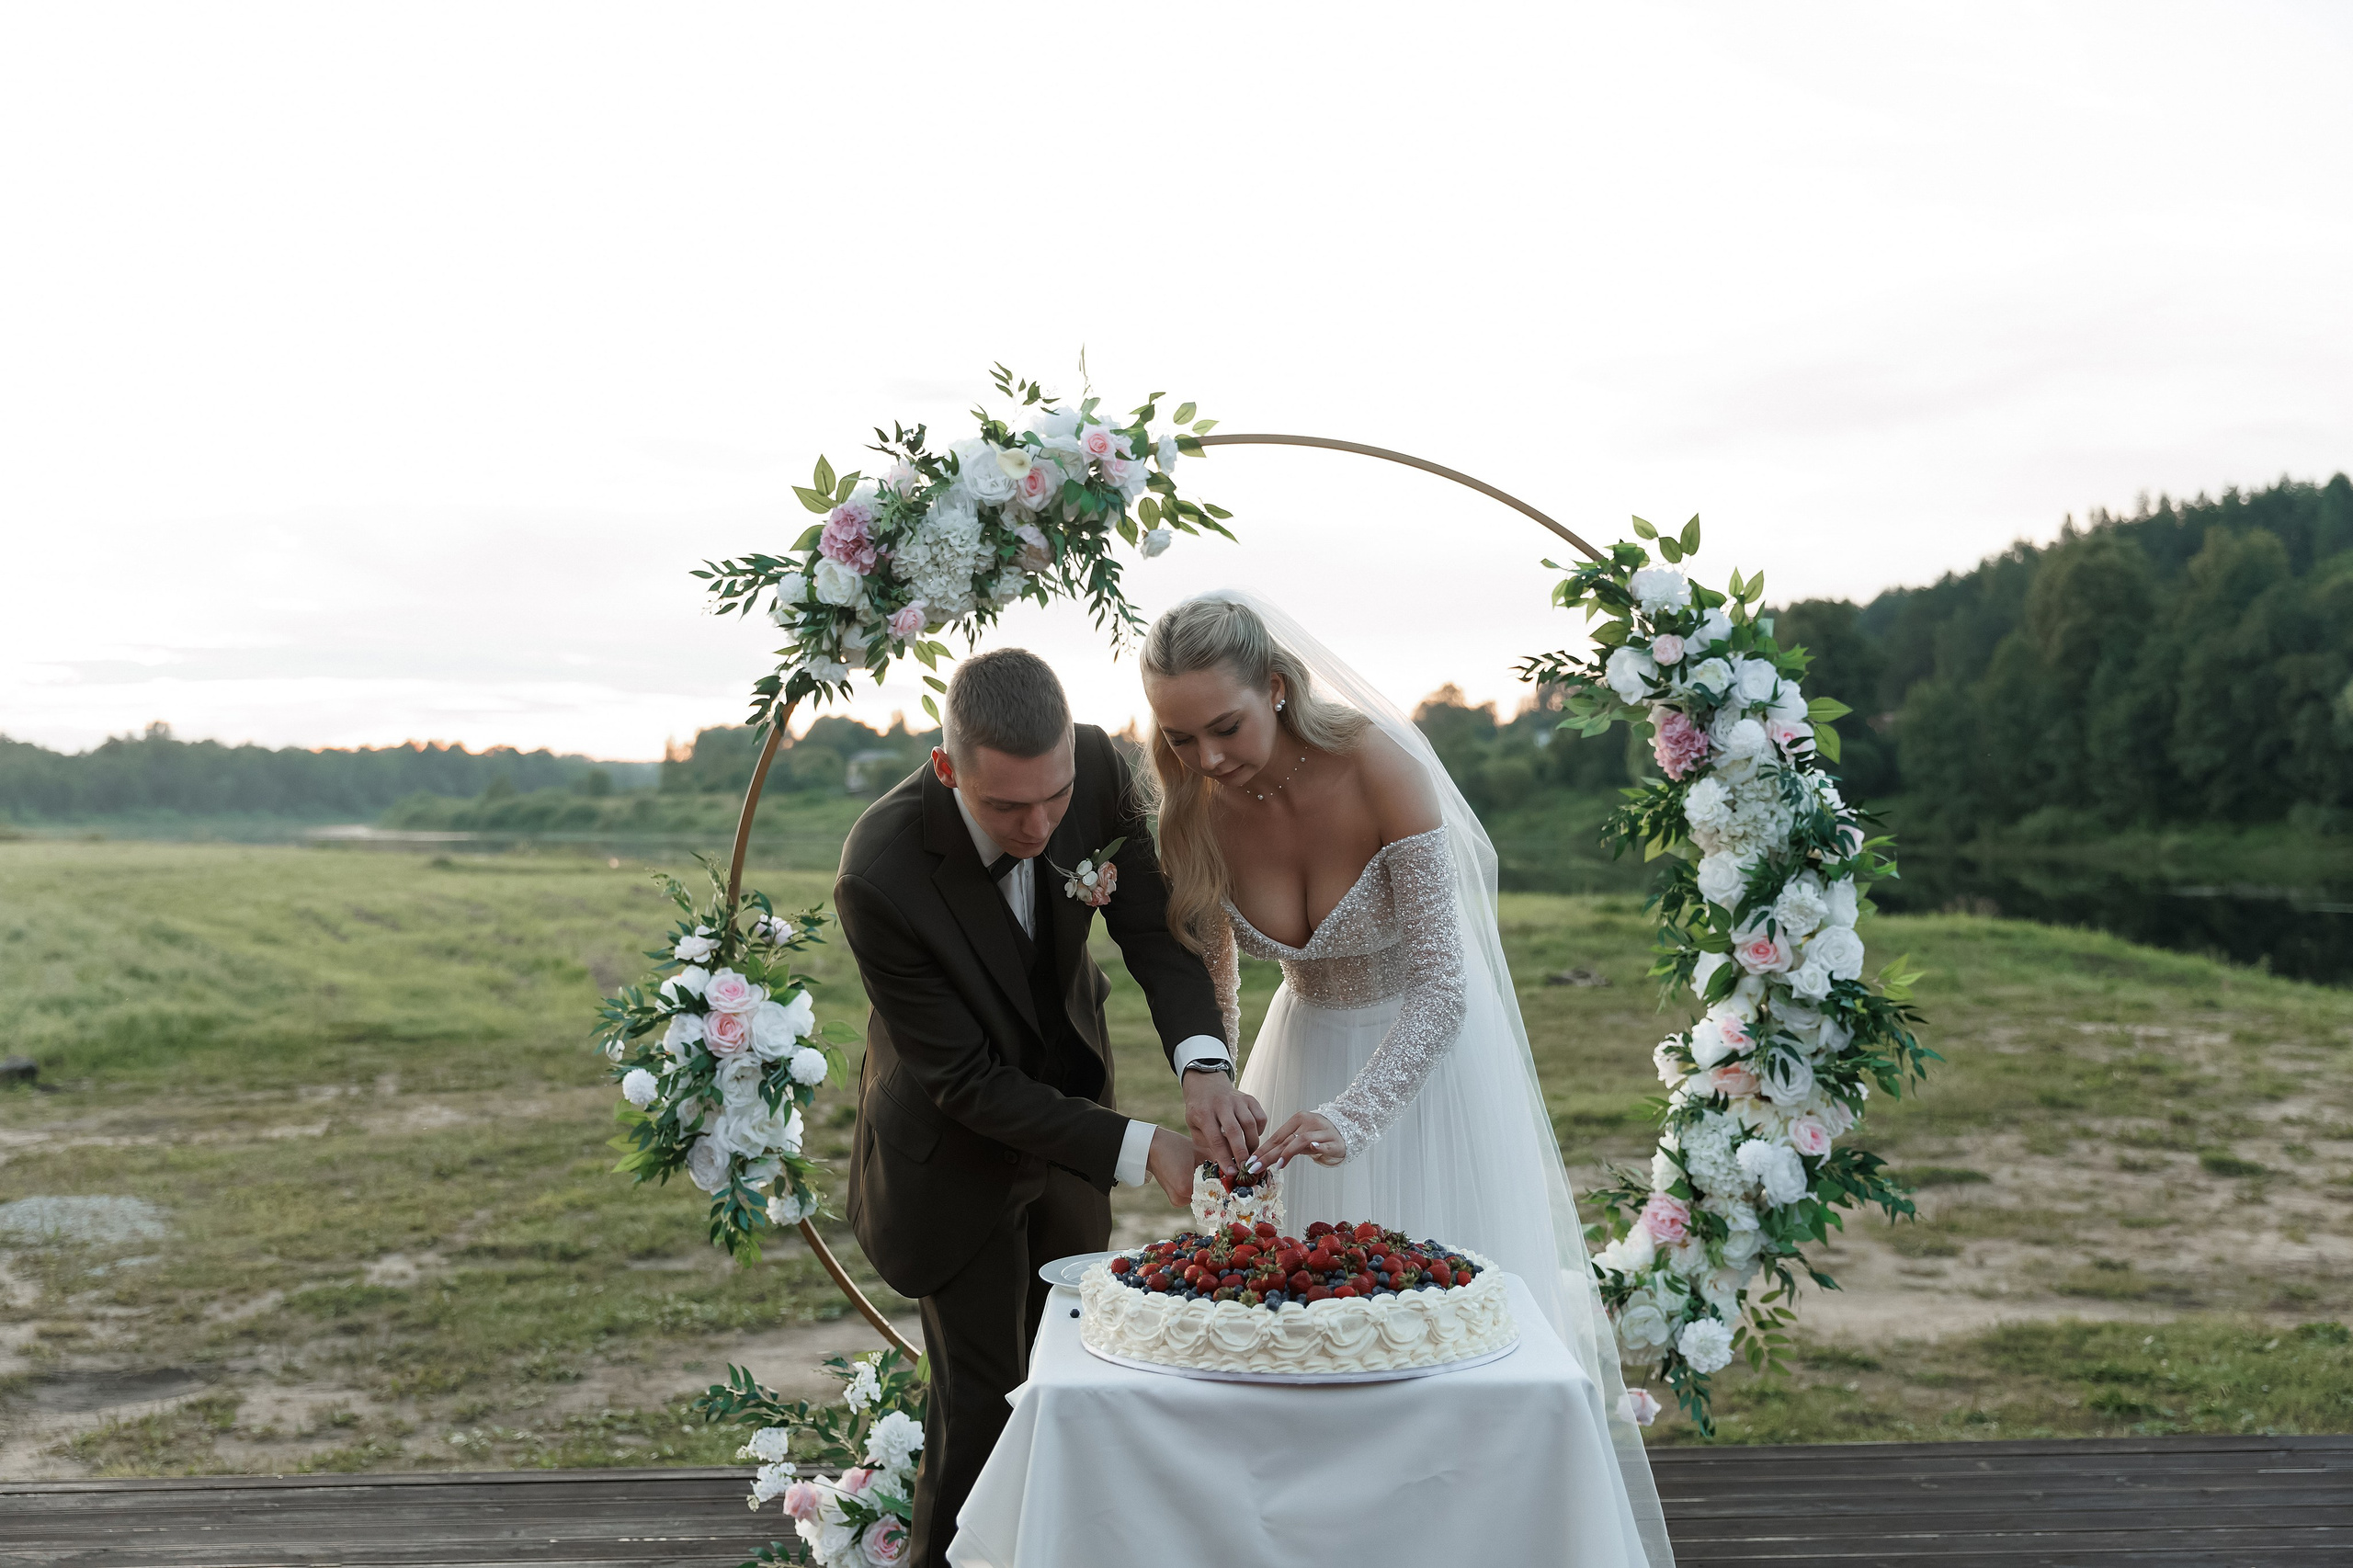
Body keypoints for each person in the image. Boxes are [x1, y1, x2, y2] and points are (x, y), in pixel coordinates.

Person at [1139, 592, 1676, 1568]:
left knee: (1441, 1346)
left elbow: (1442, 986)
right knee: (1301, 1340)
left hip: (1423, 1077)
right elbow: (1215, 980)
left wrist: (1356, 1113)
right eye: (1180, 738)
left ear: (1274, 685)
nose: (1208, 757)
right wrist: (1214, 1085)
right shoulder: (1197, 807)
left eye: (1225, 726)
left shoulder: (1378, 763)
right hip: (1296, 1061)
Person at [834, 646, 1264, 1568]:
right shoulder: (879, 871)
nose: (1038, 824)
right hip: (950, 1151)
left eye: (1054, 798)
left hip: (1070, 1114)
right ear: (947, 767)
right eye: (1006, 807)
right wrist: (1143, 1144)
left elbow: (1153, 925)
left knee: (1071, 1370)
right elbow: (965, 1081)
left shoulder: (1100, 765)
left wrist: (1202, 1066)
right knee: (985, 1402)